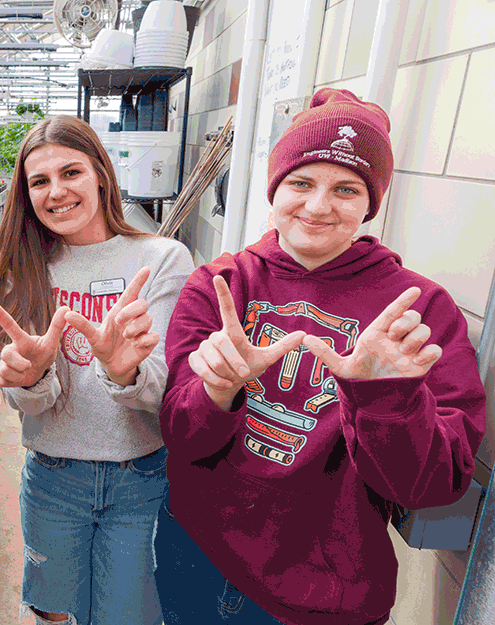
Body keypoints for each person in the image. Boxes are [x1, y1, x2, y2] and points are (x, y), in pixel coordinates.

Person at [155, 88, 487, 625]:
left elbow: (431, 487)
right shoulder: (222, 284)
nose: (316, 206)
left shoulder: (418, 311)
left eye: (346, 188)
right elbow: (180, 434)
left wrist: (389, 400)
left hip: (323, 596)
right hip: (196, 552)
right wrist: (216, 389)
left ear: (370, 203)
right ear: (275, 188)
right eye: (301, 182)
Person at [0, 116, 194, 625]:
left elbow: (170, 390)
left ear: (101, 173)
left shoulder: (160, 259)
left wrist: (125, 373)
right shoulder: (21, 268)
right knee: (55, 618)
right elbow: (22, 402)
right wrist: (31, 378)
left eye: (71, 172)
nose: (57, 192)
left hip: (140, 480)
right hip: (53, 480)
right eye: (39, 181)